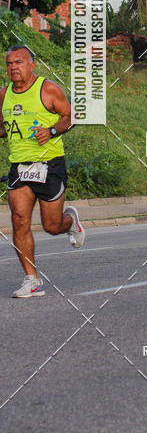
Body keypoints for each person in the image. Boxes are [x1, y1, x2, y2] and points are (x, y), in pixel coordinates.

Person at [1, 45, 84, 299]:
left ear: (31, 65)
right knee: (19, 219)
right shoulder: (4, 95)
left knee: (51, 226)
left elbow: (70, 116)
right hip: (20, 167)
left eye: (19, 62)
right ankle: (31, 278)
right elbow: (3, 128)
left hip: (50, 165)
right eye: (9, 63)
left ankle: (71, 223)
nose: (14, 67)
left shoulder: (46, 89)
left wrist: (52, 131)